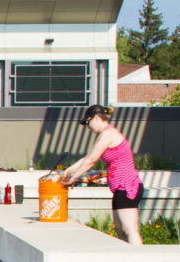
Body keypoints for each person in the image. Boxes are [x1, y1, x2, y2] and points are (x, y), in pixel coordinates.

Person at [56, 104, 144, 244]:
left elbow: (91, 161)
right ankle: (127, 261)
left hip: (127, 187)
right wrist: (68, 170)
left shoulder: (109, 134)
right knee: (120, 230)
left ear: (96, 118)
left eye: (88, 122)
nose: (87, 127)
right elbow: (88, 157)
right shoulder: (104, 135)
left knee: (130, 229)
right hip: (119, 189)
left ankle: (139, 260)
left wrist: (74, 178)